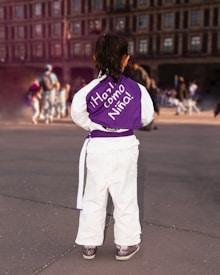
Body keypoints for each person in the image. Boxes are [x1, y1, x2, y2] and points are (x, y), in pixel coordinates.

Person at [71, 33, 154, 261]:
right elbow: (146, 117)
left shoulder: (86, 91)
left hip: (97, 146)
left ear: (95, 58)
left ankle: (89, 244)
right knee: (125, 195)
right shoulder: (137, 90)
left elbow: (77, 115)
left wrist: (97, 125)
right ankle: (125, 245)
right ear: (126, 59)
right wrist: (122, 122)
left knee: (93, 195)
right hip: (126, 145)